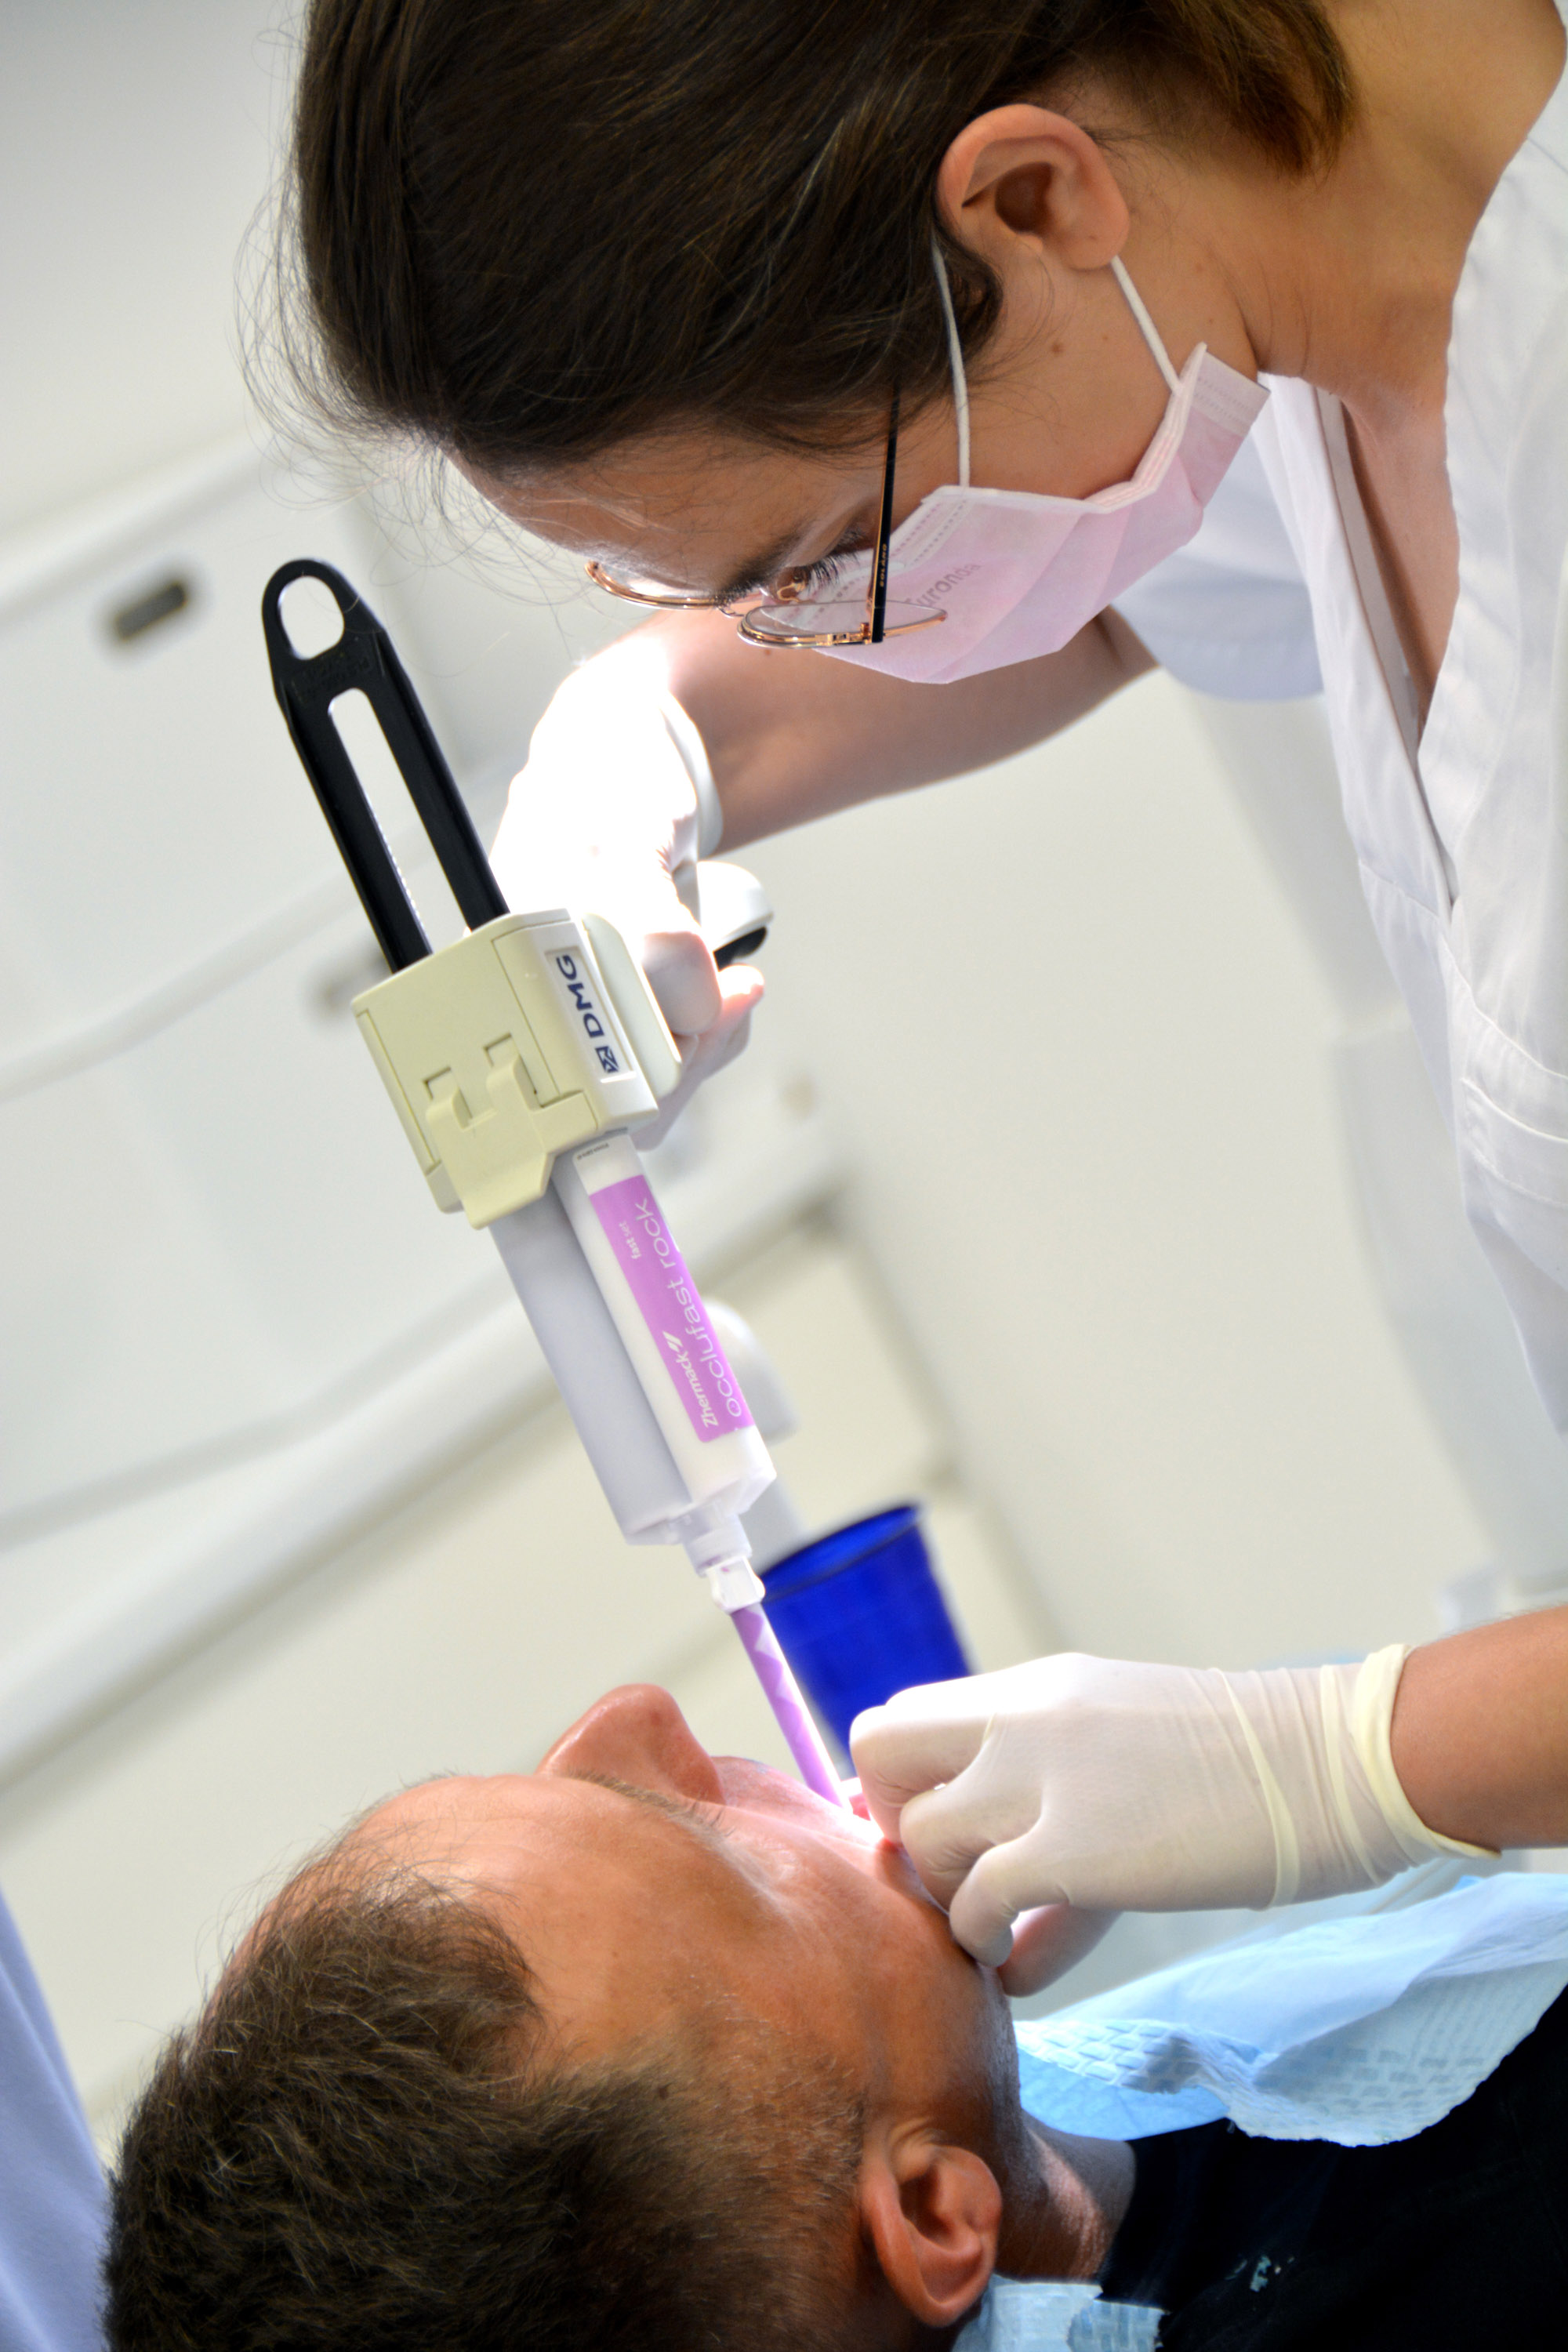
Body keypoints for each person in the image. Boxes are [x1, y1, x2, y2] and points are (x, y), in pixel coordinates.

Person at [274, 0, 1568, 1944]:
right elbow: (1113, 592)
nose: (825, 628)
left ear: (1031, 202)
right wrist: (642, 749)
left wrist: (1342, 1763)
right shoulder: (1285, 277)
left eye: (823, 559)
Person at [103, 1683, 1568, 2351]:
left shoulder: (1018, 2127)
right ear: (933, 2218)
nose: (642, 1717)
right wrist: (1364, 1756)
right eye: (706, 1846)